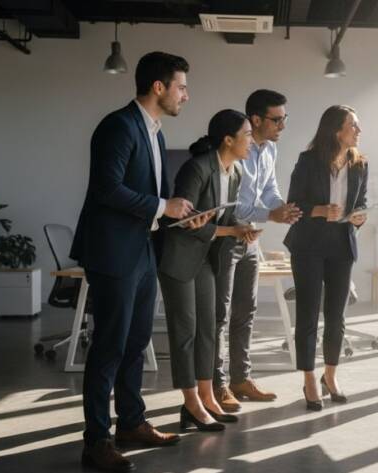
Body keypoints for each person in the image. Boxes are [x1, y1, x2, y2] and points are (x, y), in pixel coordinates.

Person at [70, 51, 197, 472]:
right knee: (109, 345)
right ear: (158, 87)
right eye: (181, 86)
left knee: (137, 341)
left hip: (143, 250)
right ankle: (96, 441)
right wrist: (164, 205)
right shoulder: (118, 126)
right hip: (112, 252)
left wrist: (176, 214)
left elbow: (151, 201)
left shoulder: (156, 132)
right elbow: (107, 190)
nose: (186, 95)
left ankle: (131, 422)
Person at [158, 110, 260, 432]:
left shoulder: (237, 171)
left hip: (204, 257)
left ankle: (207, 395)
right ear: (228, 140)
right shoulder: (198, 167)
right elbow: (180, 219)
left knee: (208, 326)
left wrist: (240, 228)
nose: (251, 142)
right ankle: (190, 402)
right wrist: (227, 231)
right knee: (185, 328)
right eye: (247, 135)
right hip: (178, 257)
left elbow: (222, 220)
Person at [211, 89, 302, 410]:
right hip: (225, 238)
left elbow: (269, 189)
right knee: (219, 315)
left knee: (246, 311)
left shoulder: (269, 151)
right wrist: (270, 214)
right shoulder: (237, 149)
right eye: (277, 120)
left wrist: (281, 207)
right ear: (256, 119)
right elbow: (233, 205)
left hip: (250, 240)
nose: (282, 126)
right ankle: (217, 385)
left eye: (284, 119)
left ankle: (241, 378)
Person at [284, 105, 368, 411]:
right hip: (308, 244)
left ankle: (329, 377)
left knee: (337, 316)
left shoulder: (360, 164)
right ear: (336, 130)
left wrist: (360, 216)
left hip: (342, 245)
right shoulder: (308, 161)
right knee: (307, 315)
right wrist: (319, 210)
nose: (359, 131)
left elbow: (363, 202)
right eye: (353, 125)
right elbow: (293, 204)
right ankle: (308, 379)